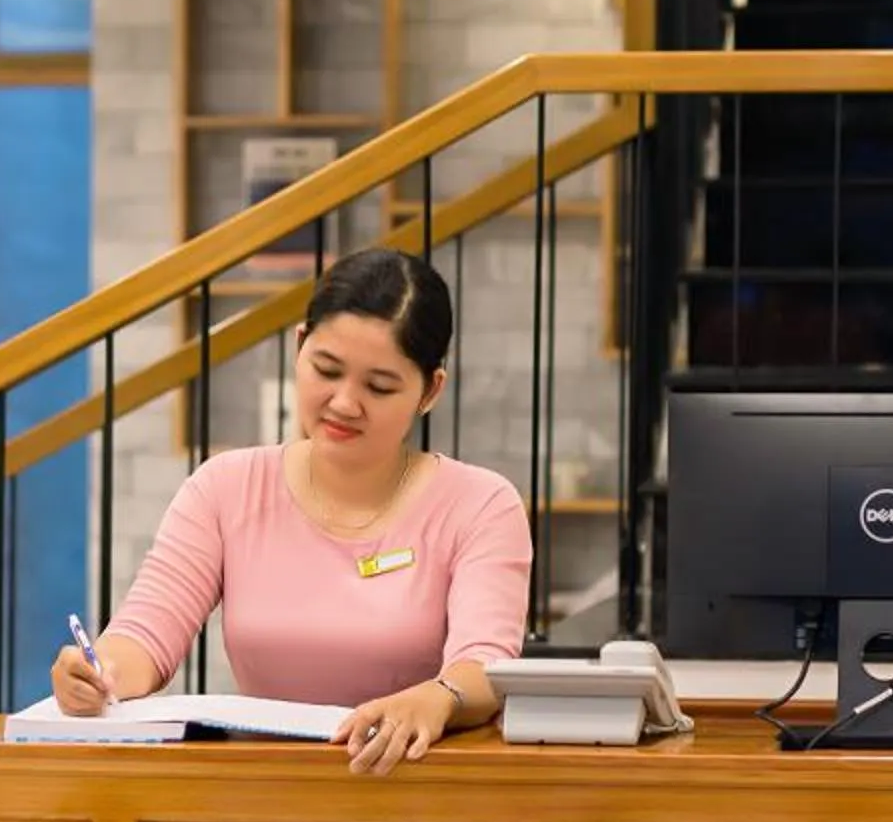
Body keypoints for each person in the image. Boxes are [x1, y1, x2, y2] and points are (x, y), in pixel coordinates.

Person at [49, 249, 533, 775]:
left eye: (379, 387)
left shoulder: (482, 505)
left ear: (430, 390)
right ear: (299, 346)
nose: (344, 403)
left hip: (414, 795)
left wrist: (439, 697)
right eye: (326, 370)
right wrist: (99, 676)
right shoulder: (225, 488)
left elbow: (485, 665)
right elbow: (145, 635)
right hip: (262, 797)